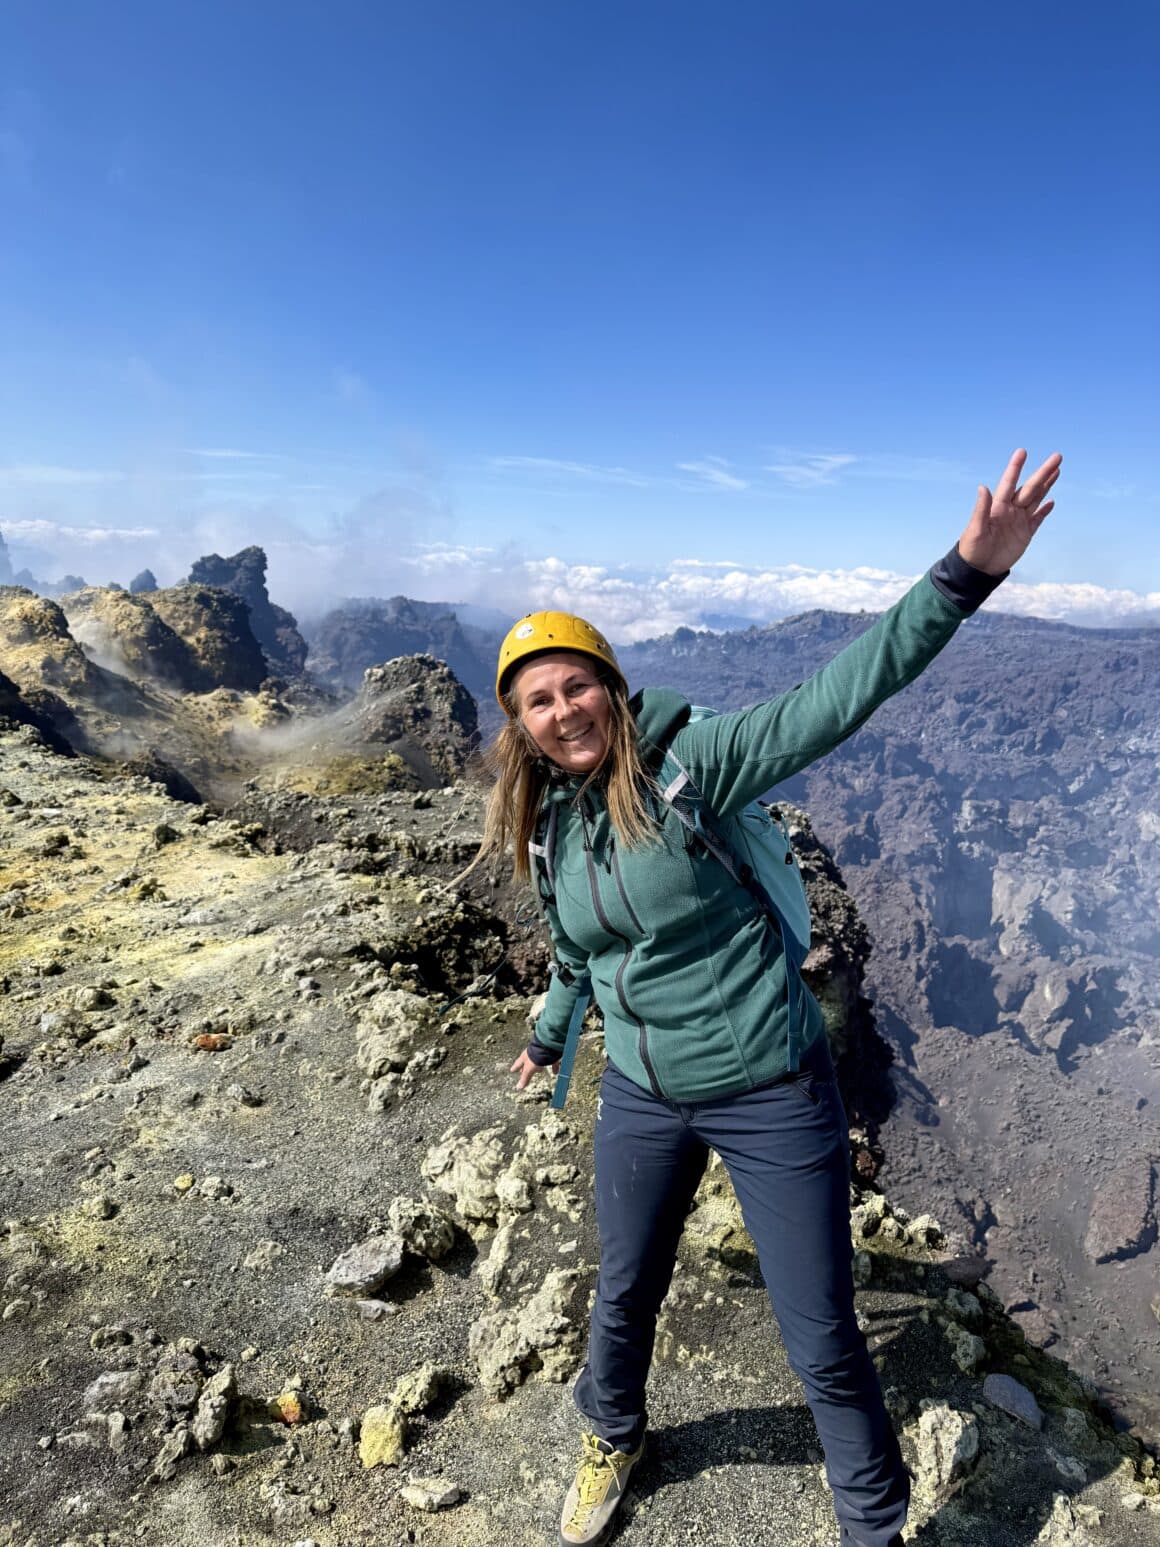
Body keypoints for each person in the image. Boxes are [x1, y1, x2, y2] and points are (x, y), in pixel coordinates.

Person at [473, 449, 1061, 1547]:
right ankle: (611, 1431)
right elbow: (574, 947)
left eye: (574, 683)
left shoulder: (695, 765)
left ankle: (873, 1524)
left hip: (770, 1090)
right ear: (522, 726)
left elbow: (839, 692)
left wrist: (963, 574)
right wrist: (550, 1031)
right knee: (622, 1290)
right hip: (643, 1094)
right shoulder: (552, 828)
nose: (562, 711)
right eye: (536, 701)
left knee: (823, 1338)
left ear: (610, 684)